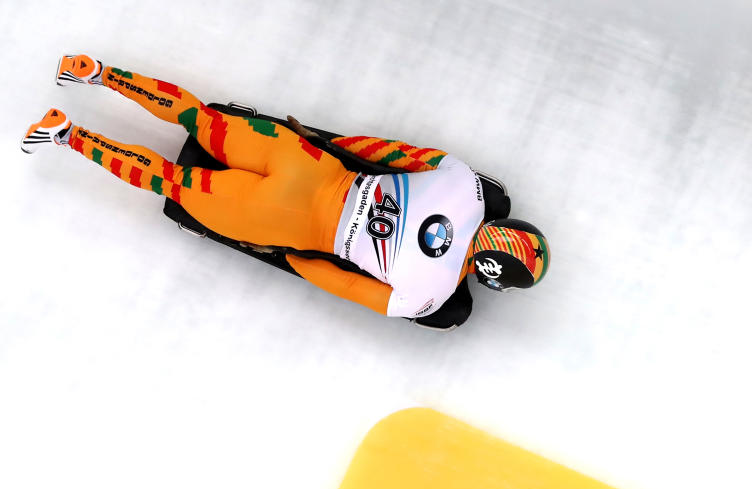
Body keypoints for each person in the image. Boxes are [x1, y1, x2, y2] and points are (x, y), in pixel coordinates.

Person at [21, 55, 550, 320]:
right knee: (170, 181)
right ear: (493, 278)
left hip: (311, 167)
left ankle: (97, 73)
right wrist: (284, 255)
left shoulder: (467, 188)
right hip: (291, 224)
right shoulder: (428, 297)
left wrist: (318, 142)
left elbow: (381, 150)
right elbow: (337, 283)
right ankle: (66, 133)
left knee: (197, 115)